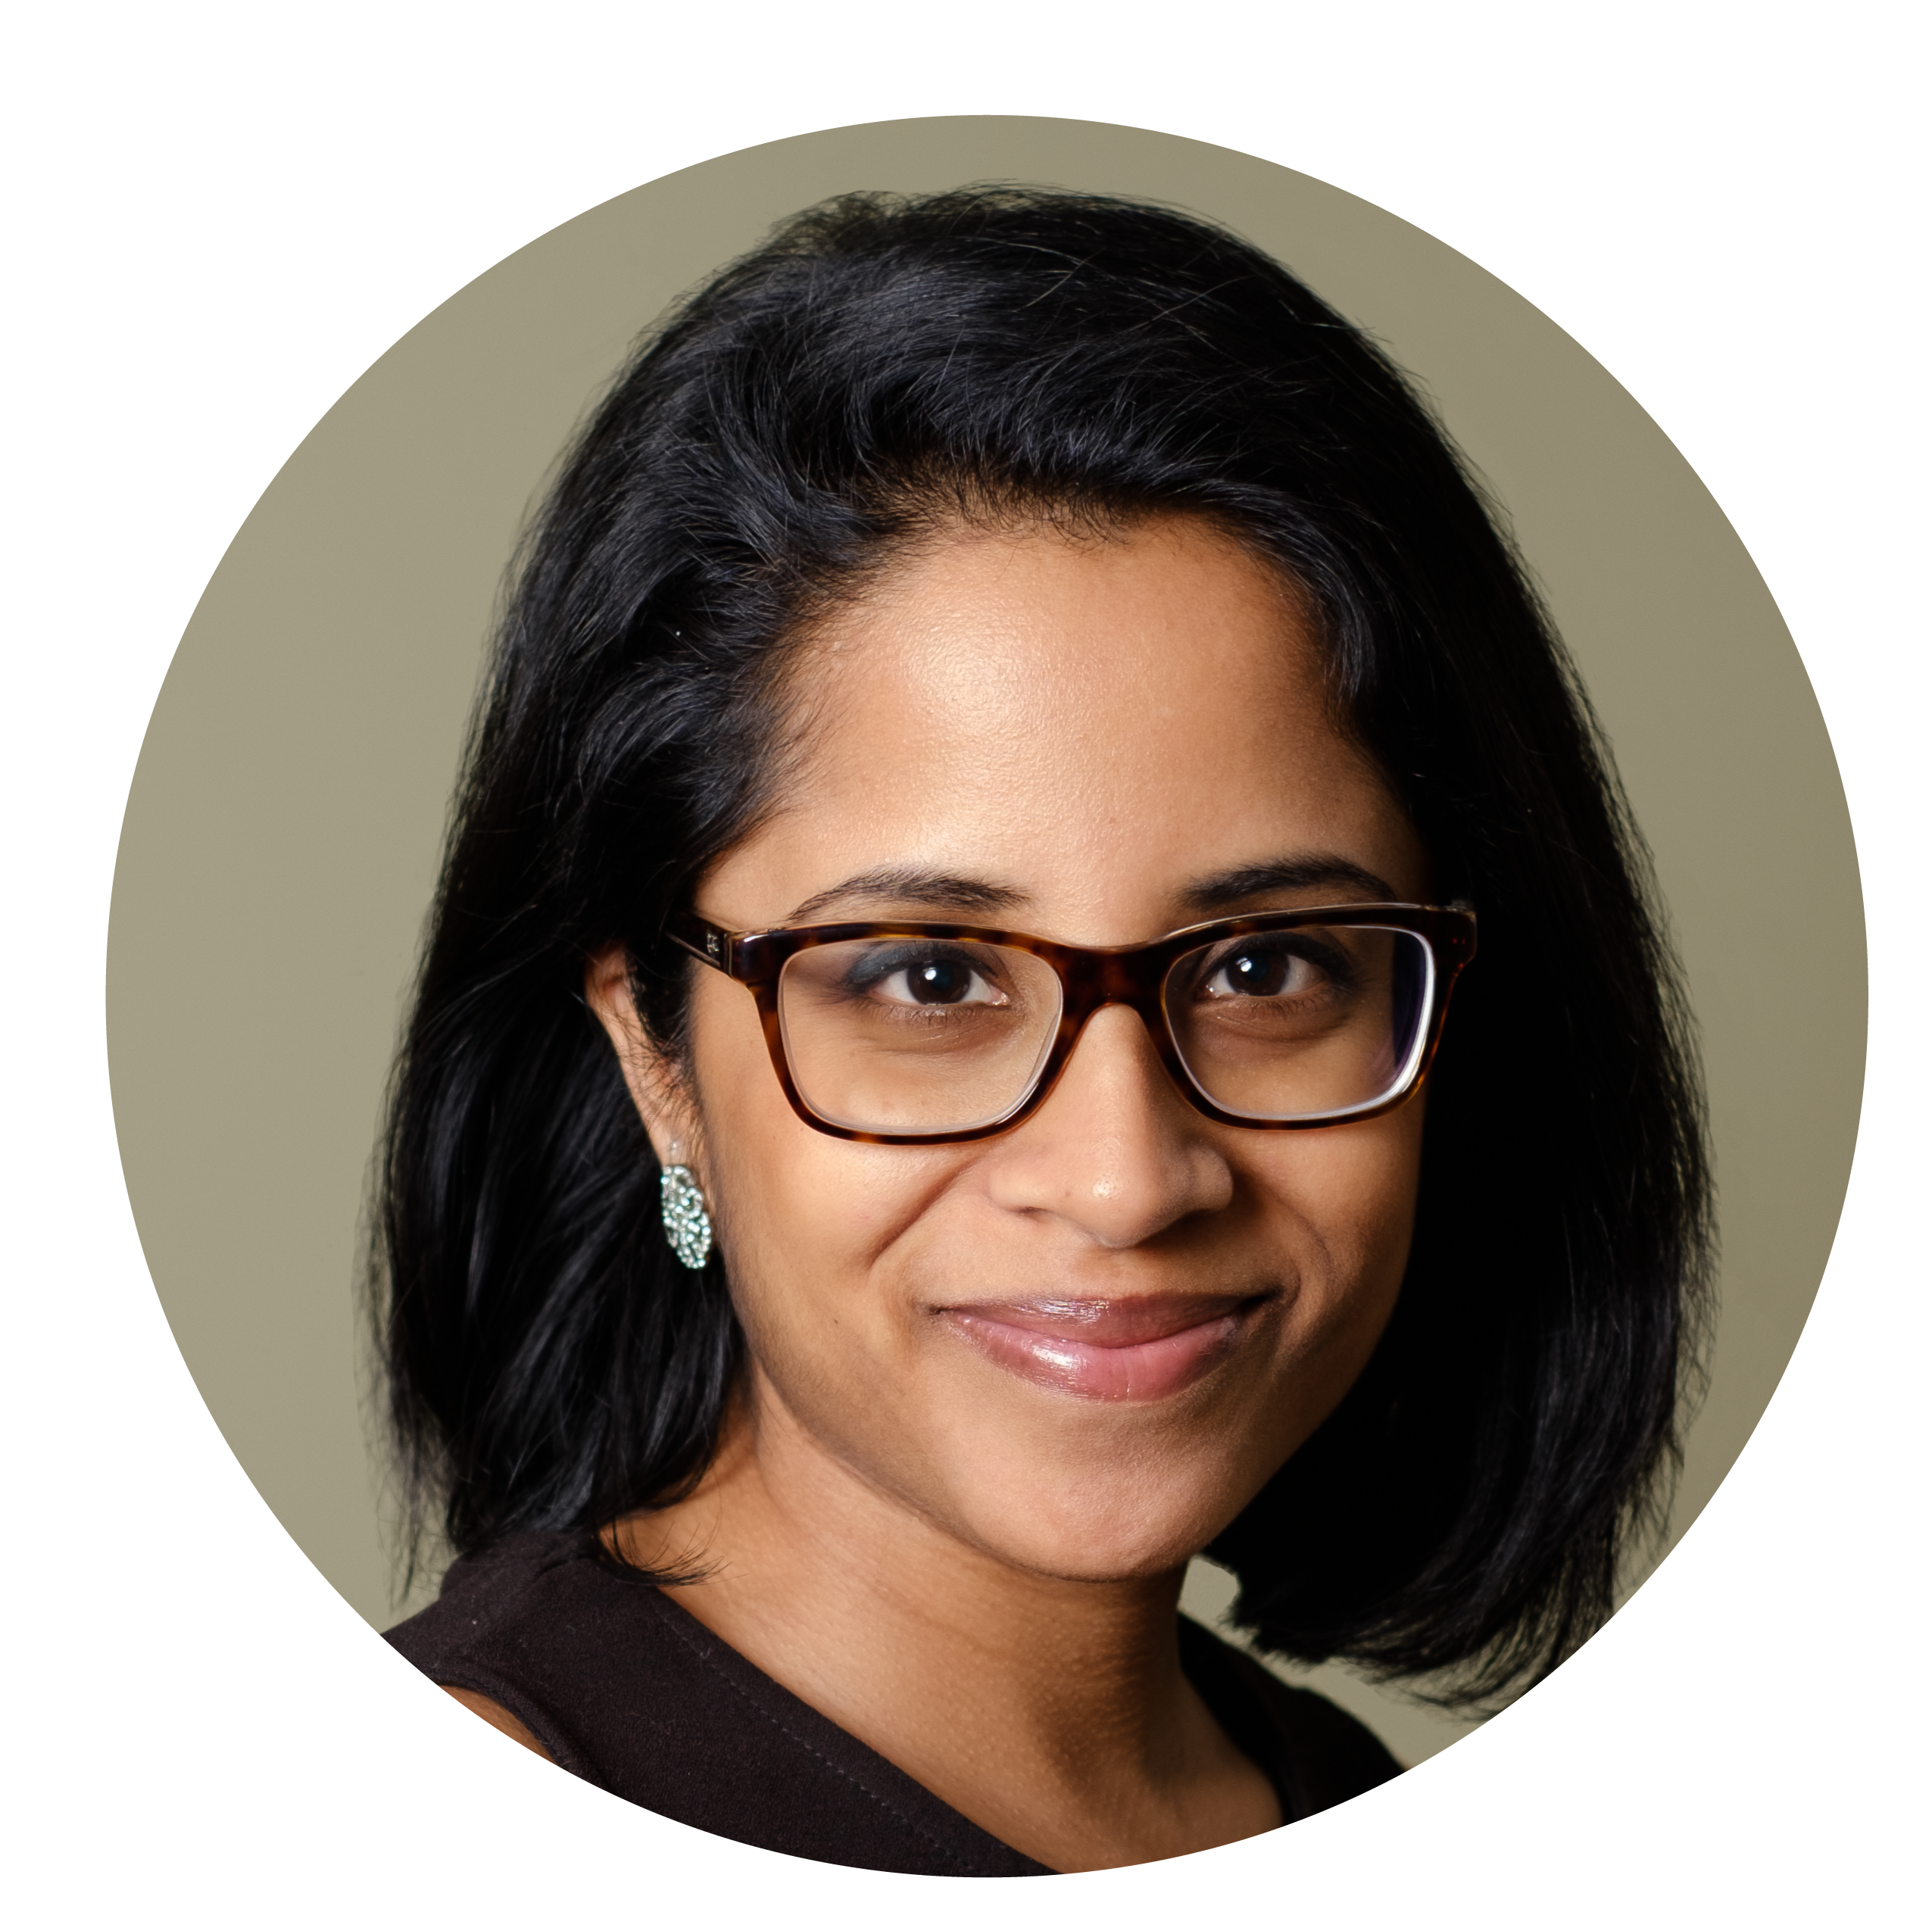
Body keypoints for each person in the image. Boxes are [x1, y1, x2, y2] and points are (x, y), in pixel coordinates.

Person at [374, 187, 1712, 1874]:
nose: (1126, 1179)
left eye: (1267, 967)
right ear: (654, 1052)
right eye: (929, 977)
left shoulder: (1327, 1780)